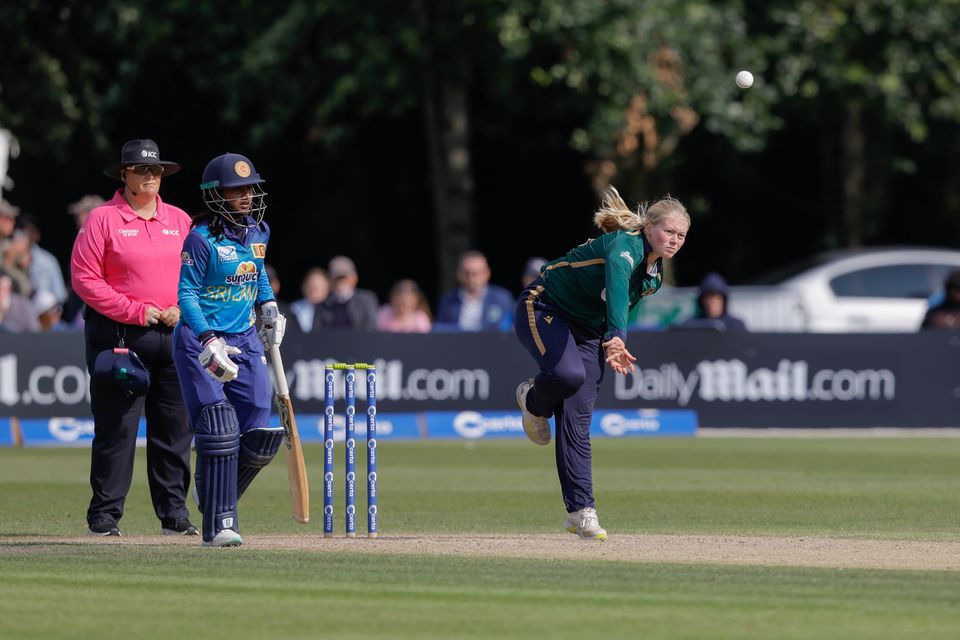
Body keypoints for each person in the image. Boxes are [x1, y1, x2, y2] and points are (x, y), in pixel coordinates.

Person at [513, 187, 690, 540]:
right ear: (649, 227)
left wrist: (614, 339)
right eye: (668, 231)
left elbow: (623, 305)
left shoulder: (654, 275)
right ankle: (533, 400)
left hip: (590, 329)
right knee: (566, 375)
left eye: (681, 235)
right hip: (545, 306)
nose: (674, 240)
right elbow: (618, 289)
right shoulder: (624, 246)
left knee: (578, 416)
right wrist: (617, 337)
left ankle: (580, 512)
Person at [70, 139, 197, 537]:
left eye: (156, 170)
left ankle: (174, 514)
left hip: (174, 335)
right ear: (124, 174)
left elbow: (196, 274)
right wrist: (137, 310)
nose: (151, 177)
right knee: (117, 428)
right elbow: (85, 280)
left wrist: (181, 305)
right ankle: (104, 515)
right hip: (122, 336)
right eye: (143, 170)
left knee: (175, 430)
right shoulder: (102, 219)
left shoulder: (179, 219)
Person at [173, 151, 287, 548]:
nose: (246, 195)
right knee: (219, 426)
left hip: (244, 338)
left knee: (258, 431)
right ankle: (221, 521)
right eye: (236, 189)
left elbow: (257, 277)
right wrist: (206, 338)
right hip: (200, 339)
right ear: (215, 194)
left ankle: (211, 490)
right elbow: (186, 293)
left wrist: (268, 307)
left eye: (250, 188)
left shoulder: (260, 232)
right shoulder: (201, 239)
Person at [435, 250, 515, 331]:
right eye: (466, 273)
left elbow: (509, 330)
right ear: (458, 274)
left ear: (487, 273)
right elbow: (441, 331)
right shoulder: (448, 301)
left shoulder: (502, 299)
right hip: (458, 343)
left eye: (476, 273)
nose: (471, 278)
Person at [62, 195, 106, 327]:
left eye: (79, 214)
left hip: (98, 316)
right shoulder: (82, 240)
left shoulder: (105, 242)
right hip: (80, 314)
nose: (77, 220)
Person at [315, 255, 379, 330]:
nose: (340, 282)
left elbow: (371, 330)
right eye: (337, 278)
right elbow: (317, 333)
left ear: (354, 278)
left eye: (344, 278)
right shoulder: (323, 305)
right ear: (330, 280)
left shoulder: (367, 301)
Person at [18, 212, 68, 305]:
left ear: (37, 234)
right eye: (21, 231)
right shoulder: (11, 256)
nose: (25, 235)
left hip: (42, 314)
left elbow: (59, 295)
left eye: (29, 230)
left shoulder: (48, 261)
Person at [676, 272, 747, 331]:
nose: (712, 302)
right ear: (701, 301)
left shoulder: (736, 326)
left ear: (724, 301)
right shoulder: (690, 326)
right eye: (708, 298)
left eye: (716, 298)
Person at [288, 267, 330, 332]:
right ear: (303, 287)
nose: (314, 289)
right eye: (310, 285)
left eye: (318, 286)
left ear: (327, 289)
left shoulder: (334, 309)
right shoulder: (293, 309)